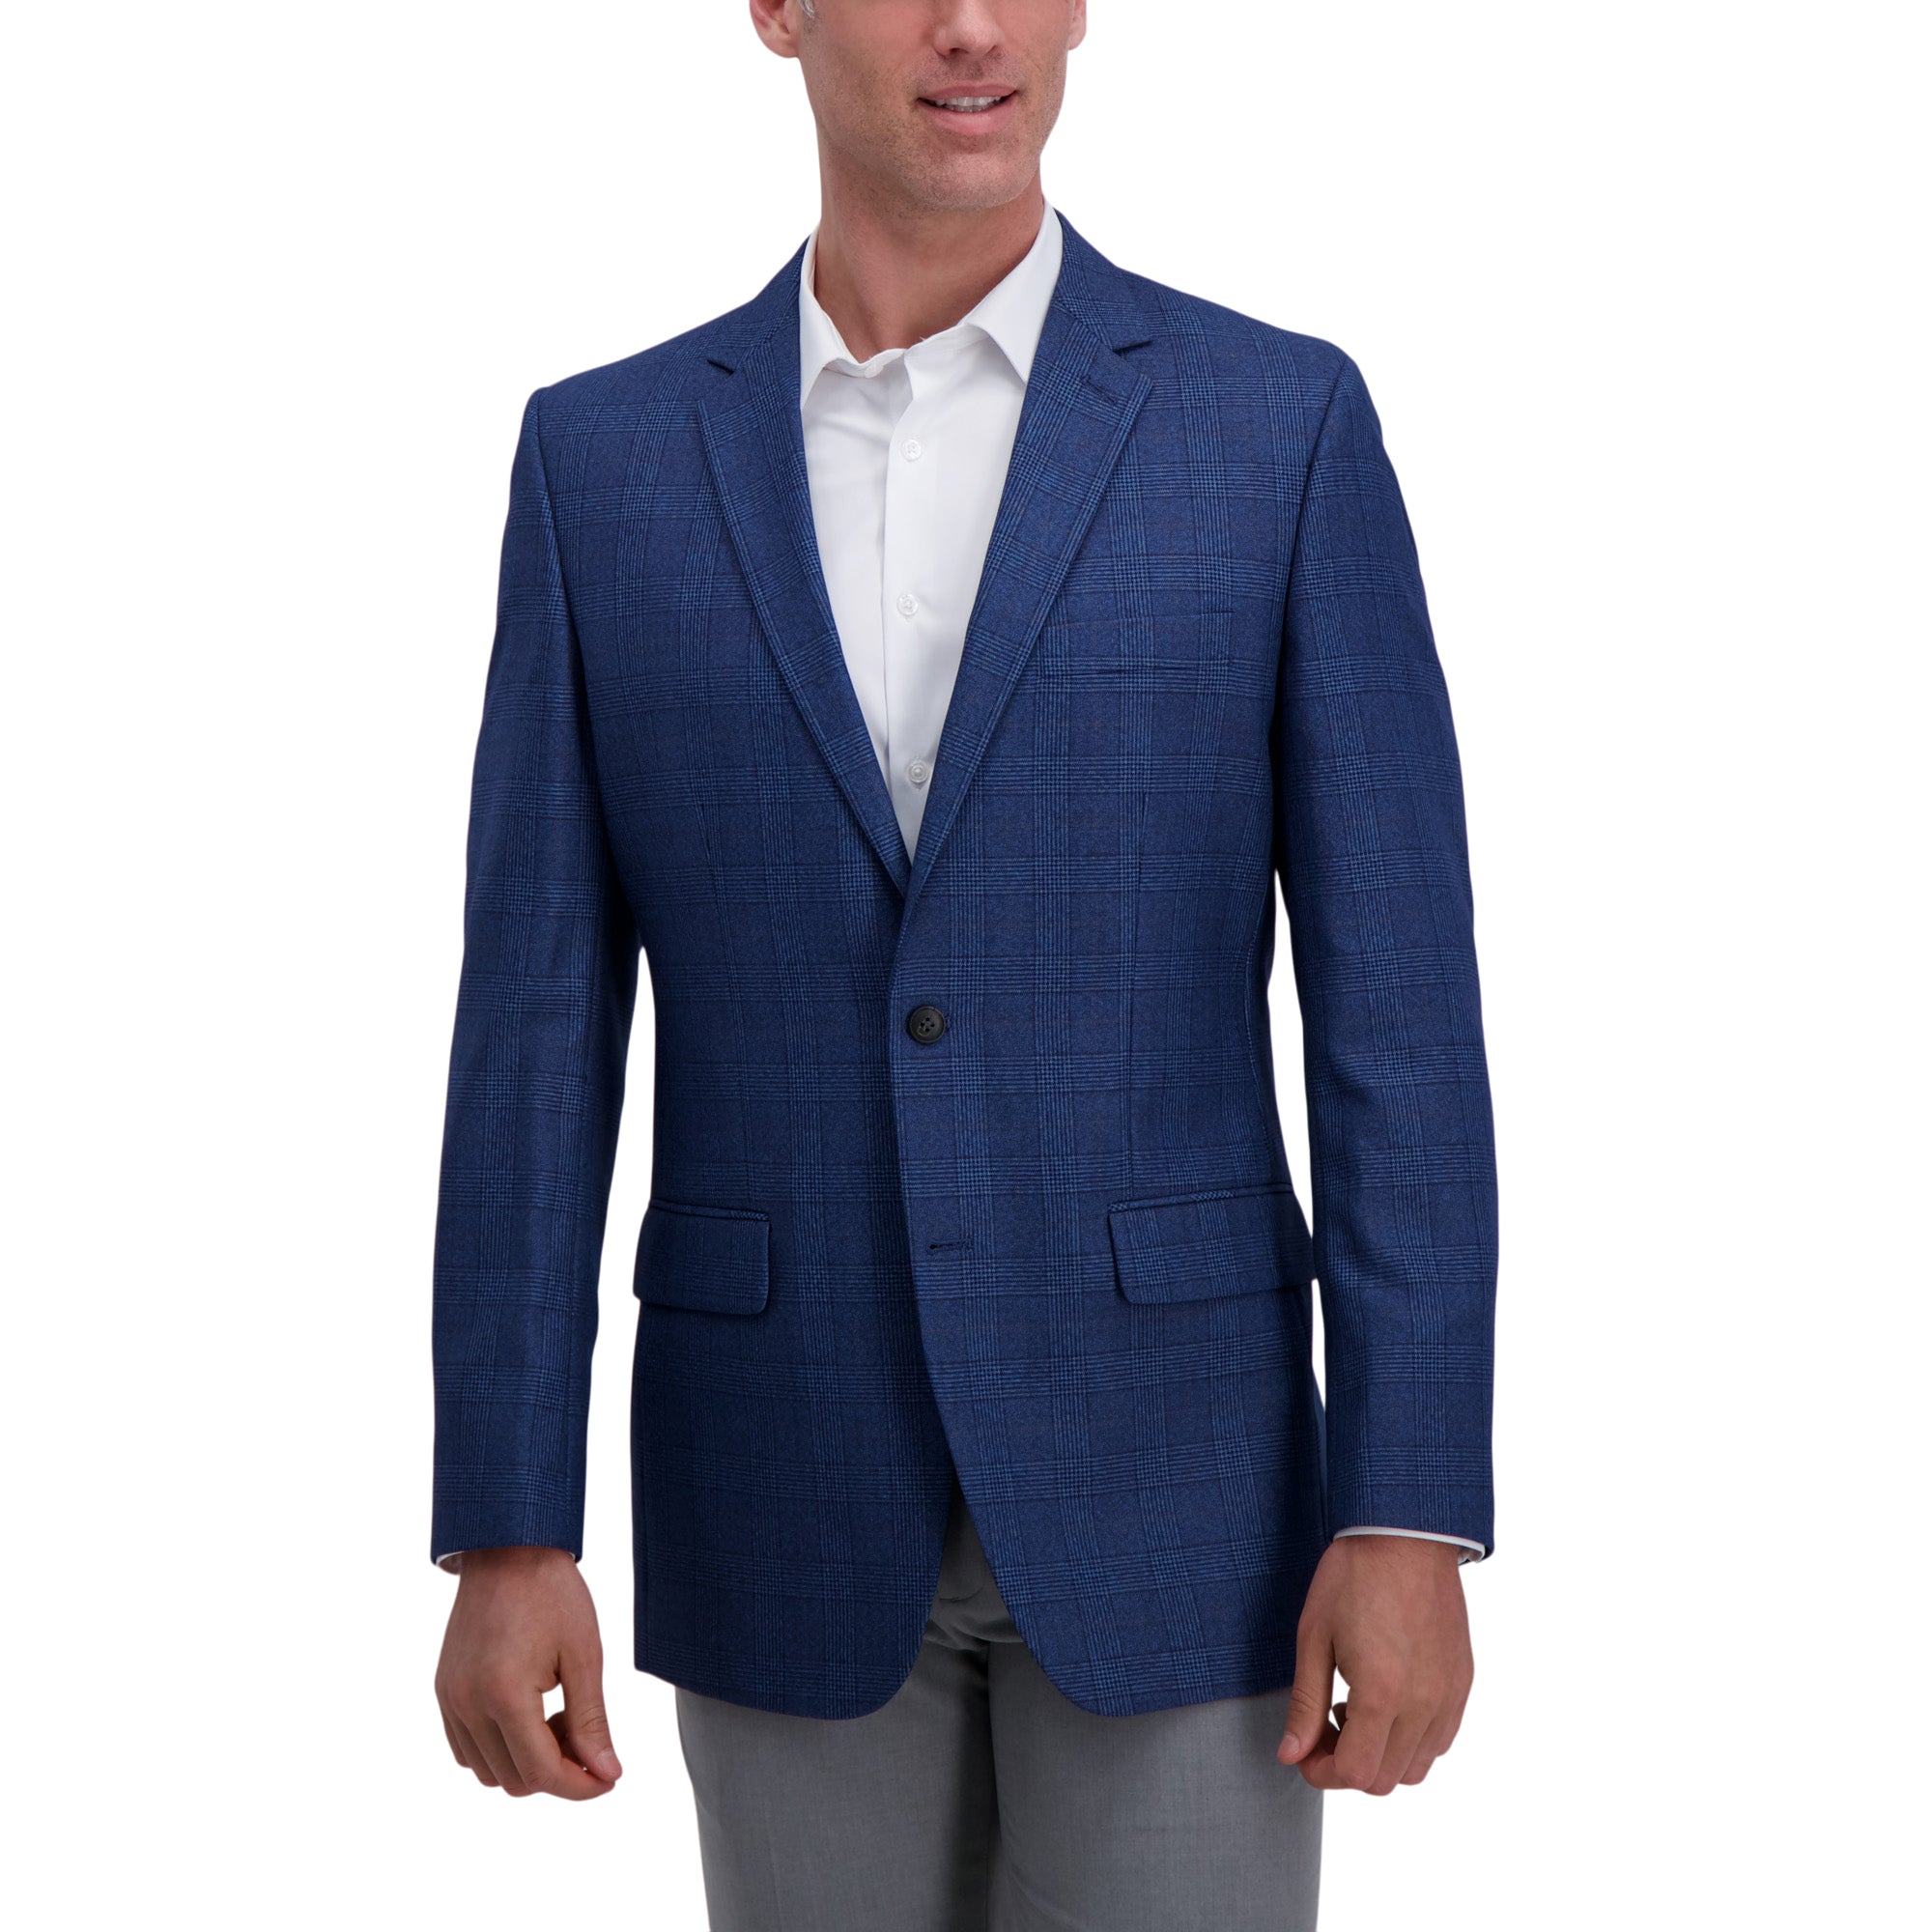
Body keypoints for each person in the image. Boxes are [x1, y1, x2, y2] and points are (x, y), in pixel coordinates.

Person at [431, 3, 1497, 1926]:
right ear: (777, 9)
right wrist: (506, 1524)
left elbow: (1398, 1020)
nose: (973, 25)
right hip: (773, 1476)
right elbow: (530, 1037)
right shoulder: (604, 463)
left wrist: (1407, 1502)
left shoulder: (1274, 428)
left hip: (1187, 1493)